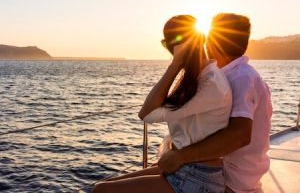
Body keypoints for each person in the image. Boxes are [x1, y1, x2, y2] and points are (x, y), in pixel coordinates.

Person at [93, 15, 232, 193]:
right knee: (107, 184)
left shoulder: (209, 83)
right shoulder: (199, 77)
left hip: (198, 179)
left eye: (167, 44)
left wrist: (175, 64)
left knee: (102, 190)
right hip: (185, 168)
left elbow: (146, 113)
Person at [158, 13, 273, 193]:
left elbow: (240, 134)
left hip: (229, 181)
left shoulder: (241, 77)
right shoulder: (232, 75)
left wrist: (180, 157)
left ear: (214, 40)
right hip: (213, 171)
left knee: (106, 190)